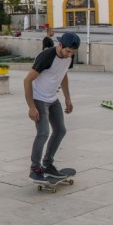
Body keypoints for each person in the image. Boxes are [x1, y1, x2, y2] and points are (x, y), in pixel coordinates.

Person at [25, 32, 80, 182]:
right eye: (68, 51)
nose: (70, 55)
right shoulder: (46, 56)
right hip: (39, 99)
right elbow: (27, 80)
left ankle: (48, 164)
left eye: (73, 52)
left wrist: (68, 98)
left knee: (60, 130)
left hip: (53, 98)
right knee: (43, 133)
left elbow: (63, 75)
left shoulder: (69, 57)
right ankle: (35, 169)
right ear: (60, 45)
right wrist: (31, 107)